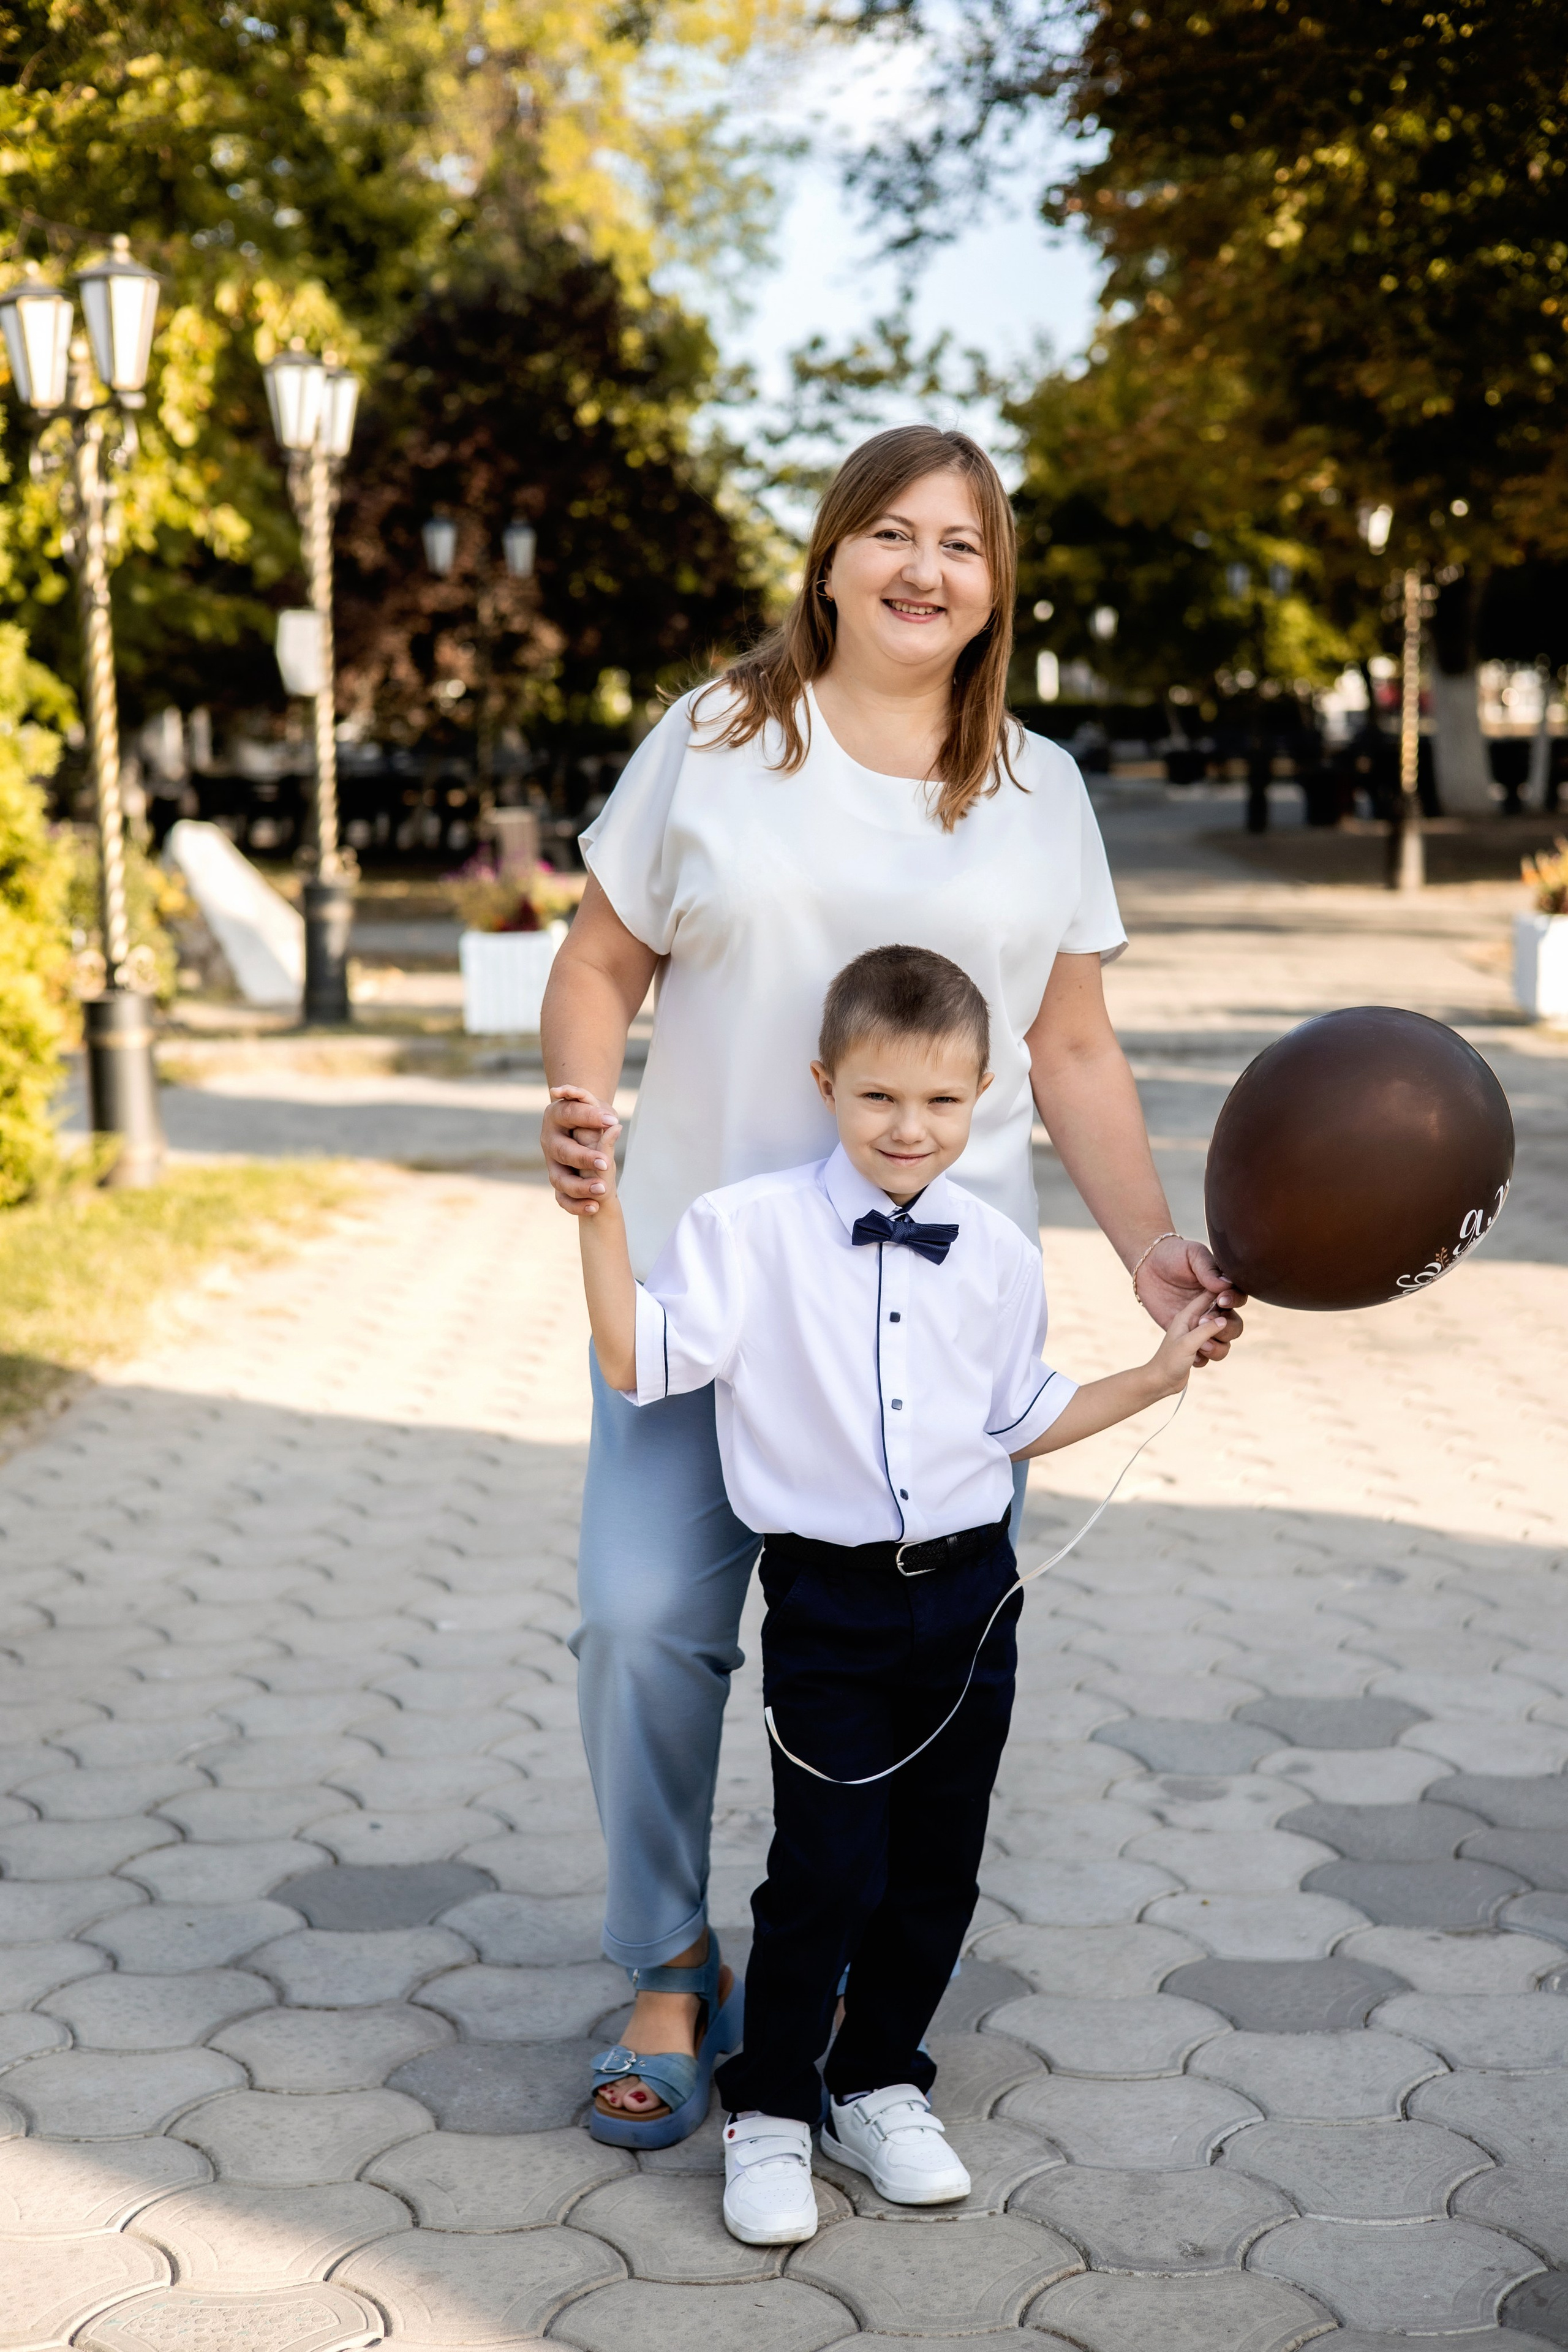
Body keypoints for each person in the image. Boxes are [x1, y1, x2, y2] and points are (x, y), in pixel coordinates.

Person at [540, 421, 1245, 2145]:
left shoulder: (1039, 792)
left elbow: (1072, 1044)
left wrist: (1150, 1247)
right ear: (835, 554)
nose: (927, 570)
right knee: (644, 1626)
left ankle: (853, 1986)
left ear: (999, 585)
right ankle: (665, 1958)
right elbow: (598, 957)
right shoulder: (717, 740)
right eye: (894, 535)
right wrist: (578, 1100)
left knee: (915, 1684)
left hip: (929, 1322)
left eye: (967, 543)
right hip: (719, 1295)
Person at [565, 944, 1229, 2242]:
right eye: (877, 1099)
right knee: (825, 1866)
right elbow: (639, 1358)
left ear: (981, 1096)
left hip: (972, 1598)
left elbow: (1016, 1420)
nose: (906, 1128)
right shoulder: (741, 1233)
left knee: (937, 1867)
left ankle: (873, 2083)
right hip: (830, 1604)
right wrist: (595, 1215)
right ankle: (765, 2111)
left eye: (937, 1102)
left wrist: (1153, 1377)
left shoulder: (992, 1253)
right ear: (825, 1084)